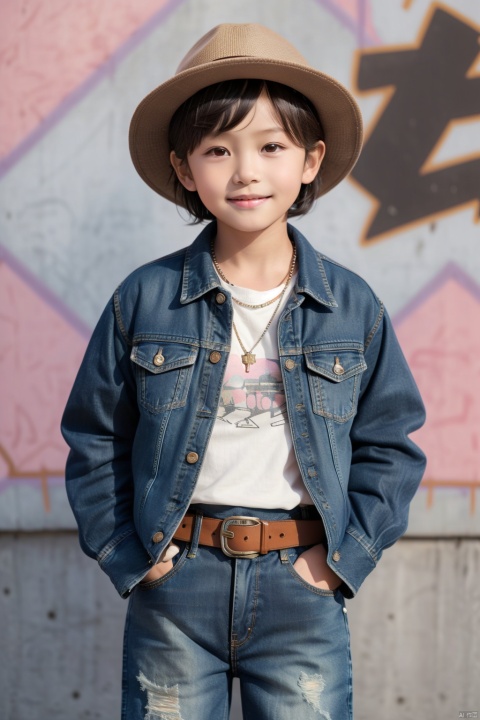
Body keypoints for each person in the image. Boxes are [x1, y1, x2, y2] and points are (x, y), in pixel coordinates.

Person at [61, 23, 426, 720]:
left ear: (310, 160)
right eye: (218, 150)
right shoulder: (143, 299)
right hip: (177, 583)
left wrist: (340, 561)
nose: (246, 171)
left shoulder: (351, 307)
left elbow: (391, 444)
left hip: (300, 583)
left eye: (271, 146)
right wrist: (130, 557)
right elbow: (94, 436)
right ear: (183, 166)